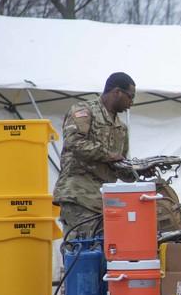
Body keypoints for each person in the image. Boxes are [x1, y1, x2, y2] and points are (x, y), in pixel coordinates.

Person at [53, 72, 135, 237]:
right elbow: (74, 143)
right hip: (79, 196)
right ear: (117, 92)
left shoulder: (121, 128)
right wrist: (109, 155)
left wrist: (136, 171)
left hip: (104, 202)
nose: (131, 103)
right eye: (130, 97)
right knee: (81, 251)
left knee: (101, 253)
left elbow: (119, 165)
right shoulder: (84, 111)